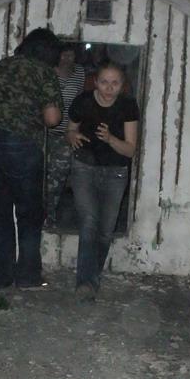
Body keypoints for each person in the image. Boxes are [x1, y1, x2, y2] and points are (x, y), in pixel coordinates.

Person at [0, 27, 63, 289]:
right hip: (19, 142)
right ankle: (27, 276)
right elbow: (52, 119)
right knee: (29, 211)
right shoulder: (44, 71)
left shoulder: (1, 66)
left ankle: (1, 277)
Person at [66, 59, 140, 301]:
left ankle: (92, 277)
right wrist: (72, 135)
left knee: (105, 230)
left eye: (115, 83)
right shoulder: (83, 102)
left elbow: (130, 149)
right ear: (96, 82)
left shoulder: (127, 106)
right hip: (84, 167)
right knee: (89, 222)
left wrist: (110, 139)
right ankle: (85, 283)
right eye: (104, 82)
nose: (109, 88)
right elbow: (70, 129)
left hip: (115, 172)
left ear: (122, 85)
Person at [45, 43, 86, 228]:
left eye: (70, 55)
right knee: (39, 175)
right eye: (63, 55)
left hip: (65, 133)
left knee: (57, 177)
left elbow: (79, 102)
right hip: (43, 131)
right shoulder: (47, 71)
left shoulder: (79, 73)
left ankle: (49, 216)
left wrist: (75, 129)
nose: (66, 59)